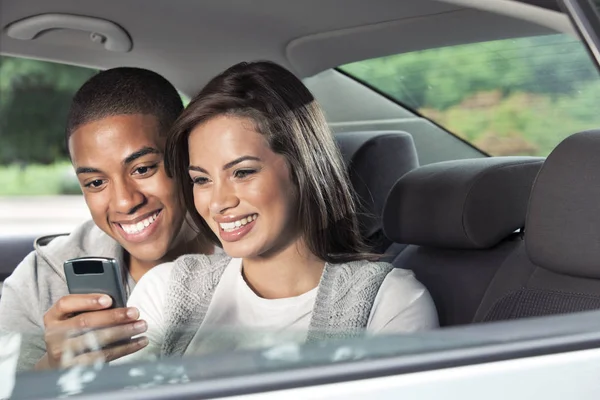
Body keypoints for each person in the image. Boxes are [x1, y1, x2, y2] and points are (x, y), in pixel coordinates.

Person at [122, 61, 438, 360]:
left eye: (242, 172)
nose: (217, 203)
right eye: (201, 179)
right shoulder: (168, 290)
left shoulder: (387, 303)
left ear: (303, 168)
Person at [0, 67, 216, 371]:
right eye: (95, 183)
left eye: (142, 169)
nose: (125, 202)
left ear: (184, 154)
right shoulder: (39, 282)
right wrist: (50, 369)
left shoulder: (249, 257)